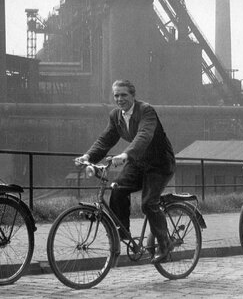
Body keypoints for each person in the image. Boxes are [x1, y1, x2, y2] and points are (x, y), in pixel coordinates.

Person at [75, 80, 176, 263]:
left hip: (159, 164)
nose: (119, 99)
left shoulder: (146, 111)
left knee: (148, 203)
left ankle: (165, 244)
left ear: (133, 95)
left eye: (123, 95)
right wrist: (87, 157)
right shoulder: (116, 116)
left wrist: (125, 155)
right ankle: (123, 234)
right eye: (116, 95)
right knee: (118, 190)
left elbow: (144, 136)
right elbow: (105, 140)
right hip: (137, 162)